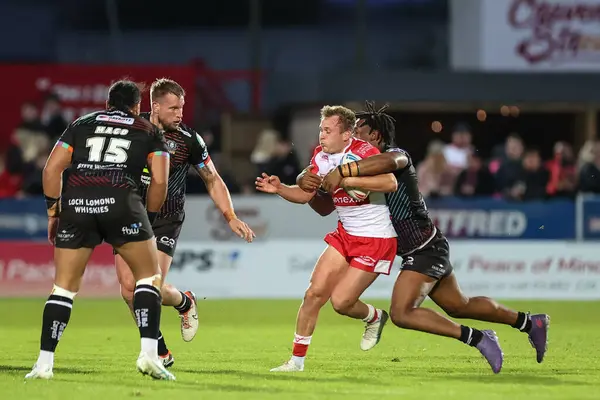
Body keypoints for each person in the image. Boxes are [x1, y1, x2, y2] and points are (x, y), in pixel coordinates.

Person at [298, 101, 550, 374]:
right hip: (415, 249)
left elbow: (394, 162)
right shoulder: (352, 162)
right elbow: (324, 207)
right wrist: (311, 186)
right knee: (459, 305)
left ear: (376, 137)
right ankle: (529, 322)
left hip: (424, 248)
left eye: (360, 130)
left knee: (402, 313)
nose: (354, 135)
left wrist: (345, 173)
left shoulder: (393, 156)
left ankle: (478, 338)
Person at [26, 80, 175, 380]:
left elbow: (51, 170)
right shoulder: (148, 131)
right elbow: (159, 180)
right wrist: (150, 216)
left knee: (64, 287)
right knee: (148, 277)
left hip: (77, 204)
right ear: (136, 107)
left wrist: (54, 212)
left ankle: (43, 364)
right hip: (123, 204)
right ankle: (149, 356)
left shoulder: (81, 123)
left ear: (108, 104)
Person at [115, 78, 255, 368]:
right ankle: (175, 322)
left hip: (166, 217)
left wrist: (230, 216)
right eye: (173, 108)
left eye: (182, 107)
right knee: (128, 288)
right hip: (130, 214)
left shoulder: (189, 140)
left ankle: (162, 337)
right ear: (154, 106)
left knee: (149, 285)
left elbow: (212, 178)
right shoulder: (131, 129)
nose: (180, 113)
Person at [256, 105, 398, 372]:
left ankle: (375, 317)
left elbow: (390, 182)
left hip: (376, 238)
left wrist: (347, 180)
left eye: (328, 130)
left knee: (341, 303)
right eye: (321, 129)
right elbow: (305, 195)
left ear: (346, 134)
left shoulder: (364, 152)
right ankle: (296, 362)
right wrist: (280, 189)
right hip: (345, 235)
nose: (322, 136)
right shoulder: (320, 156)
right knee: (313, 293)